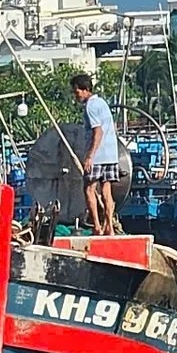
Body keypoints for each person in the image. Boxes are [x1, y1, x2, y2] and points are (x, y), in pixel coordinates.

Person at [70, 73, 120, 235]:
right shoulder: (102, 103)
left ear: (85, 90)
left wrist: (90, 156)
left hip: (98, 155)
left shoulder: (90, 106)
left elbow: (97, 131)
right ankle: (110, 227)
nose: (76, 95)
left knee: (89, 189)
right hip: (111, 154)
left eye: (77, 92)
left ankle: (97, 227)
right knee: (107, 190)